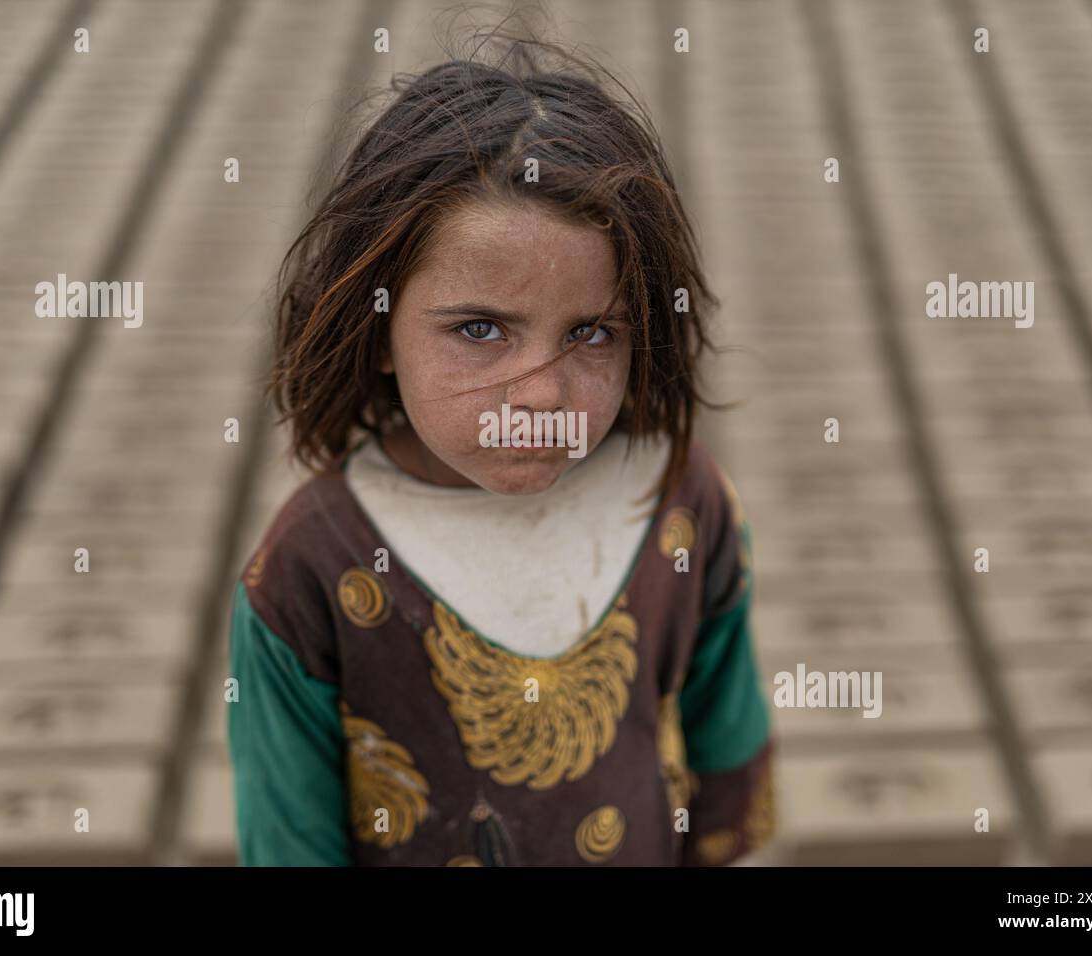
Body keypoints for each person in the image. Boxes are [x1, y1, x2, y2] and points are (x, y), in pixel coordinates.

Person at [227, 33, 774, 866]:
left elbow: (728, 763)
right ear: (377, 331)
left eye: (591, 332)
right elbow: (288, 842)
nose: (542, 394)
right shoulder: (307, 571)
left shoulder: (680, 502)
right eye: (479, 330)